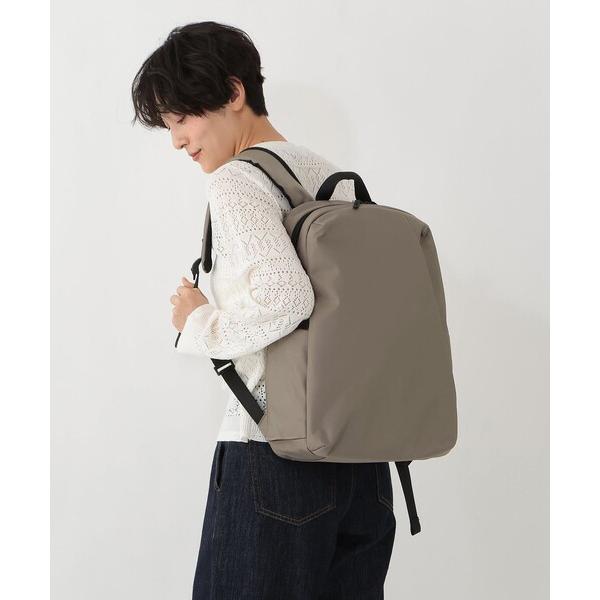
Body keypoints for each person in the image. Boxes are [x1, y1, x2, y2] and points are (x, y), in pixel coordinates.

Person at [131, 21, 396, 599]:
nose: (177, 141)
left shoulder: (237, 181)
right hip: (365, 460)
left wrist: (195, 322)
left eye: (183, 118)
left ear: (234, 93)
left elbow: (288, 299)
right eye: (169, 125)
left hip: (274, 457)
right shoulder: (329, 176)